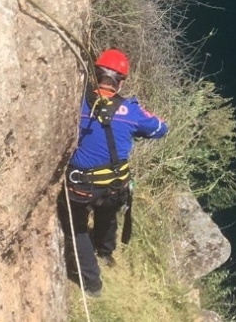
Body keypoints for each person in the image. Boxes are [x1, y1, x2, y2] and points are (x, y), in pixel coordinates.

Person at [60, 48, 168, 297]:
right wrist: (135, 121)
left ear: (95, 75)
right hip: (116, 185)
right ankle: (105, 252)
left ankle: (92, 283)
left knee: (76, 228)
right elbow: (161, 128)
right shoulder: (131, 111)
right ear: (120, 82)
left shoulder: (77, 102)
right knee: (108, 211)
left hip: (82, 186)